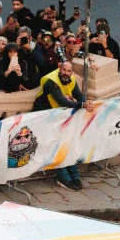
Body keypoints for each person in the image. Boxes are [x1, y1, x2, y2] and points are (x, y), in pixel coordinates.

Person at [35, 57, 95, 191]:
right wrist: (82, 105)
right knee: (56, 148)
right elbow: (62, 101)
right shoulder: (52, 81)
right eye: (64, 70)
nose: (66, 73)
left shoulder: (71, 79)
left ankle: (75, 176)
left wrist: (86, 102)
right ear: (59, 69)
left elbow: (79, 95)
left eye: (69, 71)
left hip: (61, 117)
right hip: (47, 117)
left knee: (67, 146)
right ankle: (63, 178)